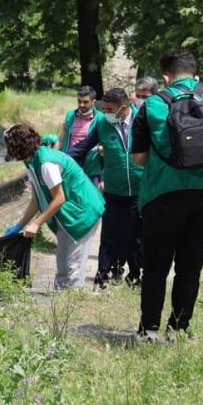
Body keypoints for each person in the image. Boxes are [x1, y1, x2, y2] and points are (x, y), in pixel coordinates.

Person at [131, 49, 203, 342]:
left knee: (156, 267)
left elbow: (138, 159)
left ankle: (149, 330)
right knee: (190, 267)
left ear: (165, 77)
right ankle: (178, 329)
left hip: (163, 194)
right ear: (195, 72)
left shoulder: (151, 104)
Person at [4, 124, 105, 289]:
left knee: (74, 266)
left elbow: (59, 199)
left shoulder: (46, 163)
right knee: (63, 266)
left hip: (83, 211)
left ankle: (71, 306)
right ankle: (60, 304)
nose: (6, 148)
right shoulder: (30, 161)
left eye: (8, 144)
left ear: (17, 145)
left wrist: (36, 224)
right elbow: (37, 199)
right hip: (68, 214)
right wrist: (20, 225)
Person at [67, 88, 144, 289]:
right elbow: (83, 146)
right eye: (104, 108)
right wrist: (61, 158)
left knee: (135, 236)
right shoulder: (103, 123)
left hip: (140, 190)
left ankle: (135, 275)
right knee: (109, 234)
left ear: (124, 107)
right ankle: (103, 274)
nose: (105, 113)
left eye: (110, 109)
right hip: (113, 190)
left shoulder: (142, 120)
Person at [58, 85, 104, 184]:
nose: (81, 105)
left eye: (85, 102)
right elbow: (61, 139)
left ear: (93, 102)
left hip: (91, 169)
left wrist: (101, 149)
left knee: (91, 198)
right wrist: (54, 155)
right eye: (79, 101)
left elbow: (104, 142)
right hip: (70, 165)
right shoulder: (70, 116)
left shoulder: (101, 119)